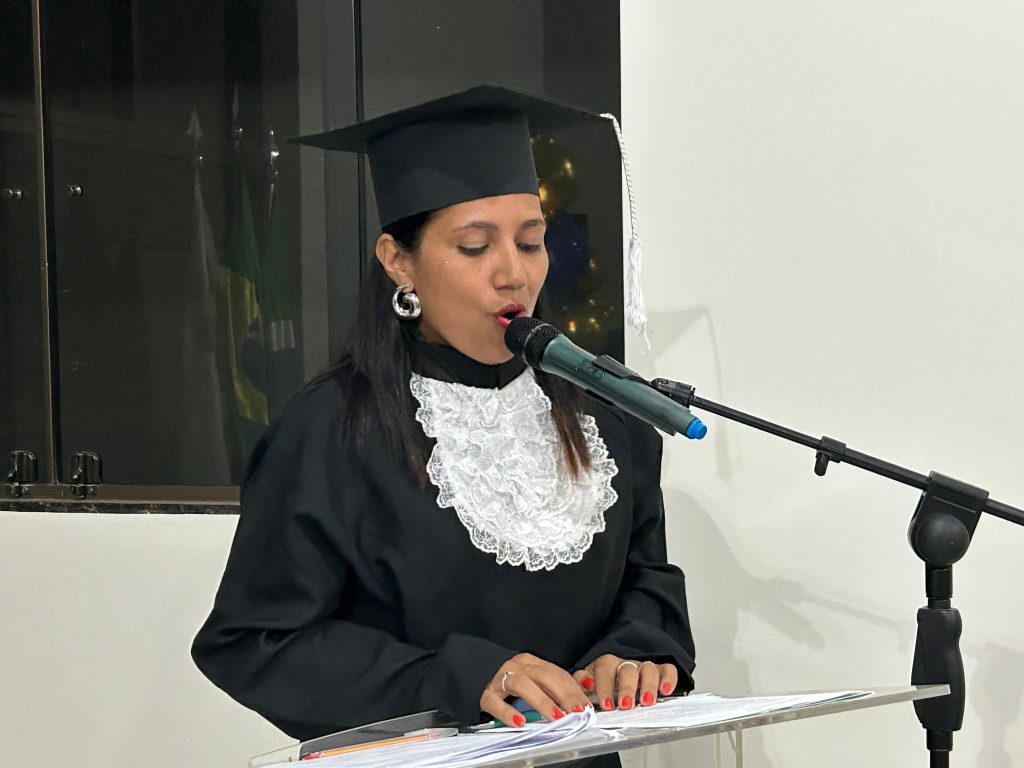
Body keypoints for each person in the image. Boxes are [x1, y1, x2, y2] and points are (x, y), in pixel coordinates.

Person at [191, 86, 696, 763]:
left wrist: (632, 654)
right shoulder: (331, 430)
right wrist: (462, 678)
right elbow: (255, 641)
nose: (513, 274)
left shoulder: (606, 422)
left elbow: (646, 583)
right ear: (399, 262)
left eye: (531, 242)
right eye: (474, 247)